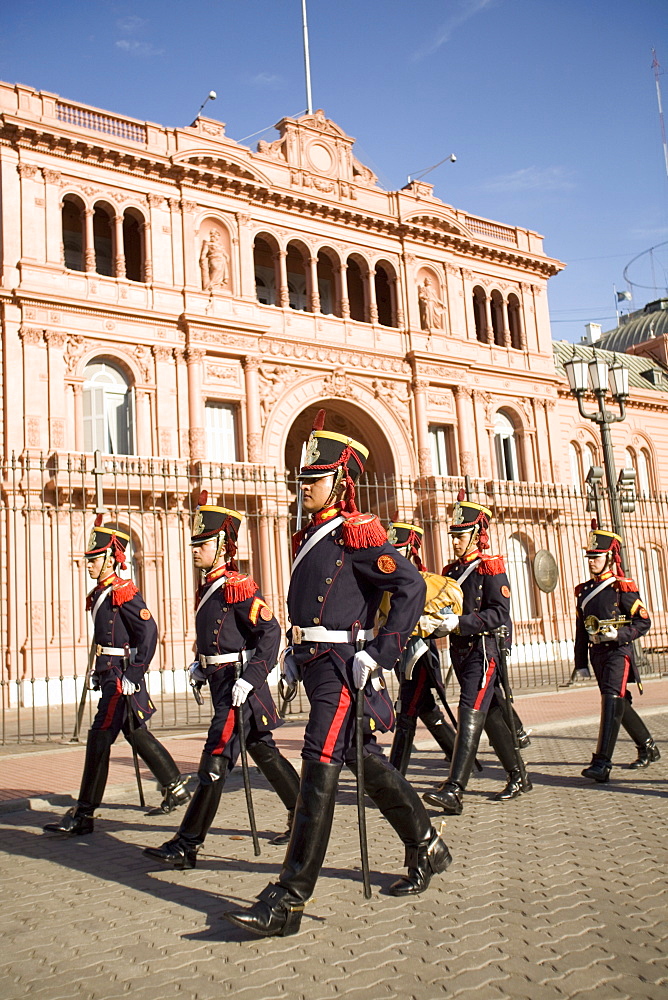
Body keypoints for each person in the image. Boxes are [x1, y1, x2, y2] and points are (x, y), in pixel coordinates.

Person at [224, 410, 451, 938]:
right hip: (315, 663)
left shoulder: (358, 534)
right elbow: (307, 612)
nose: (305, 487)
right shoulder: (313, 535)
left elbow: (411, 588)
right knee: (366, 765)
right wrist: (288, 659)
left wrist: (384, 650)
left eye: (315, 479)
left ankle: (290, 896)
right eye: (302, 479)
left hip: (344, 669)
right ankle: (427, 845)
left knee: (318, 758)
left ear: (340, 482)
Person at [144, 495, 300, 869]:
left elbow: (270, 631)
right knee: (262, 750)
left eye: (204, 543)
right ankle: (303, 814)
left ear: (224, 547)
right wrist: (201, 665)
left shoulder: (238, 585)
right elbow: (219, 637)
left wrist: (253, 675)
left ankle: (187, 843)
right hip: (219, 680)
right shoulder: (208, 587)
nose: (196, 550)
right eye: (195, 544)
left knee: (214, 760)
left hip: (237, 687)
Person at [44, 520, 190, 836]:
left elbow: (148, 631)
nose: (90, 565)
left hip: (120, 679)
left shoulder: (123, 592)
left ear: (111, 557)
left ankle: (84, 814)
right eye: (89, 559)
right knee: (136, 732)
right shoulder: (102, 593)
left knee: (99, 738)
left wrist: (134, 674)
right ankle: (175, 786)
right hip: (109, 674)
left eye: (95, 559)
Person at [422, 491, 532, 816]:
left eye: (461, 535)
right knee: (494, 716)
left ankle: (455, 788)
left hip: (484, 652)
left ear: (476, 534)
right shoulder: (450, 570)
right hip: (460, 653)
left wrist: (461, 622)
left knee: (469, 709)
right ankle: (519, 776)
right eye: (453, 535)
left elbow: (500, 613)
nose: (455, 541)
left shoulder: (490, 568)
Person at [575, 521, 659, 782]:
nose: (592, 562)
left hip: (618, 653)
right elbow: (581, 630)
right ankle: (648, 747)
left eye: (597, 557)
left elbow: (643, 622)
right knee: (619, 702)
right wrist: (580, 662)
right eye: (589, 557)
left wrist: (619, 634)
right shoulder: (584, 591)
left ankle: (602, 763)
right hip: (597, 653)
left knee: (611, 699)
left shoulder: (622, 587)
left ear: (609, 557)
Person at [384, 521, 459, 776]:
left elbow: (449, 609)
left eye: (399, 549)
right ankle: (457, 754)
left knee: (406, 711)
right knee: (426, 709)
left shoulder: (430, 582)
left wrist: (428, 620)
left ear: (411, 551)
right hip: (399, 656)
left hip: (419, 655)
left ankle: (395, 774)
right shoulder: (387, 584)